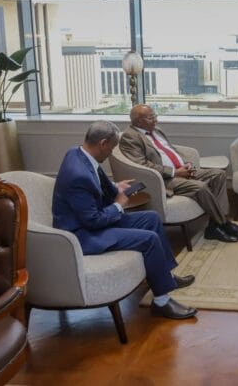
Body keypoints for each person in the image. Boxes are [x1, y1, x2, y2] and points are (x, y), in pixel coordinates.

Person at [52, 121, 197, 320]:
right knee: (149, 239)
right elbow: (93, 221)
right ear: (103, 143)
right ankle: (161, 302)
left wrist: (116, 186)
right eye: (111, 147)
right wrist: (119, 204)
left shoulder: (78, 153)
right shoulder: (77, 175)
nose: (111, 153)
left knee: (151, 218)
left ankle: (166, 275)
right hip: (82, 235)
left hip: (91, 223)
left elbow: (96, 182)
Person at [119, 104, 238, 243]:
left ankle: (214, 226)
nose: (156, 120)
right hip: (163, 179)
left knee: (218, 174)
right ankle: (224, 224)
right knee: (200, 187)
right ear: (138, 121)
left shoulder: (156, 130)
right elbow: (142, 165)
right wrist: (174, 172)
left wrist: (186, 164)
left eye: (155, 116)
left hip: (180, 170)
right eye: (151, 117)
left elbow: (170, 151)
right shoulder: (130, 137)